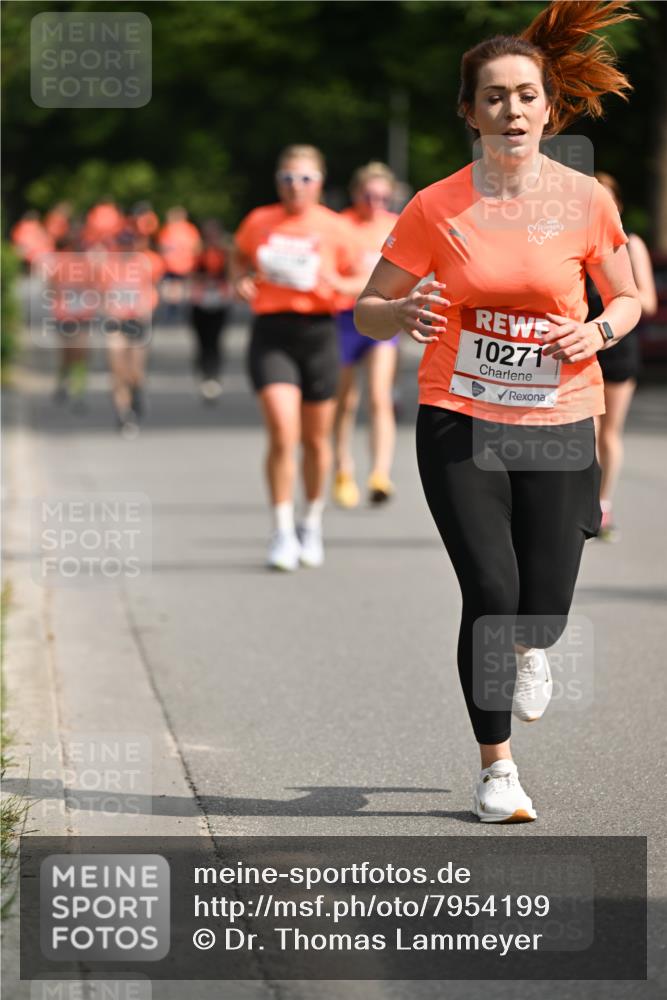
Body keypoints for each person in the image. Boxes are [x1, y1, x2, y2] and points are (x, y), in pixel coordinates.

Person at [354, 0, 641, 823]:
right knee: (488, 585)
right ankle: (496, 770)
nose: (510, 110)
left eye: (524, 95)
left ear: (548, 107)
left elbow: (626, 300)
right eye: (493, 97)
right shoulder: (434, 207)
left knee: (540, 608)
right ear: (468, 112)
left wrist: (591, 330)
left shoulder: (585, 201)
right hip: (458, 414)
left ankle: (529, 647)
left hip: (558, 419)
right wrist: (399, 315)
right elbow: (366, 307)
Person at [232, 144, 361, 571]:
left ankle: (311, 521)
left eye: (305, 178)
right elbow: (237, 259)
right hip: (272, 334)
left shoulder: (336, 227)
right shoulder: (259, 221)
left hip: (320, 334)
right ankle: (282, 529)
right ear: (277, 181)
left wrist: (336, 283)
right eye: (287, 178)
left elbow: (365, 280)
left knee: (315, 441)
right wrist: (241, 281)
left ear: (320, 183)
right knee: (282, 432)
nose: (295, 186)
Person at [587, 172, 658, 541]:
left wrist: (617, 301)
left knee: (608, 432)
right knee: (586, 430)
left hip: (617, 346)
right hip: (580, 347)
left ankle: (603, 503)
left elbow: (647, 301)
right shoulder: (574, 239)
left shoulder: (631, 244)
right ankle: (581, 503)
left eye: (607, 197)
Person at [333, 163, 400, 508]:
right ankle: (343, 467)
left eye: (382, 196)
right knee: (345, 402)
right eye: (368, 195)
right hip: (344, 319)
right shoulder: (340, 225)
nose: (374, 202)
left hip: (381, 320)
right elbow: (326, 273)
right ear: (355, 193)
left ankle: (380, 473)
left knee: (379, 396)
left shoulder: (395, 225)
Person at [104, 231, 164, 437]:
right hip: (116, 321)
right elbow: (100, 293)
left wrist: (146, 310)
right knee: (118, 370)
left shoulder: (147, 263)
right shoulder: (108, 265)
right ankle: (123, 414)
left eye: (129, 244)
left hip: (138, 322)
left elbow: (153, 289)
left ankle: (137, 394)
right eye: (122, 244)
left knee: (135, 371)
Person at [189, 220, 232, 402]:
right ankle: (204, 372)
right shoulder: (199, 252)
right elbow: (191, 273)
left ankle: (213, 375)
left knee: (215, 340)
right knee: (202, 340)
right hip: (200, 300)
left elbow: (231, 273)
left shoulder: (226, 253)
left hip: (219, 301)